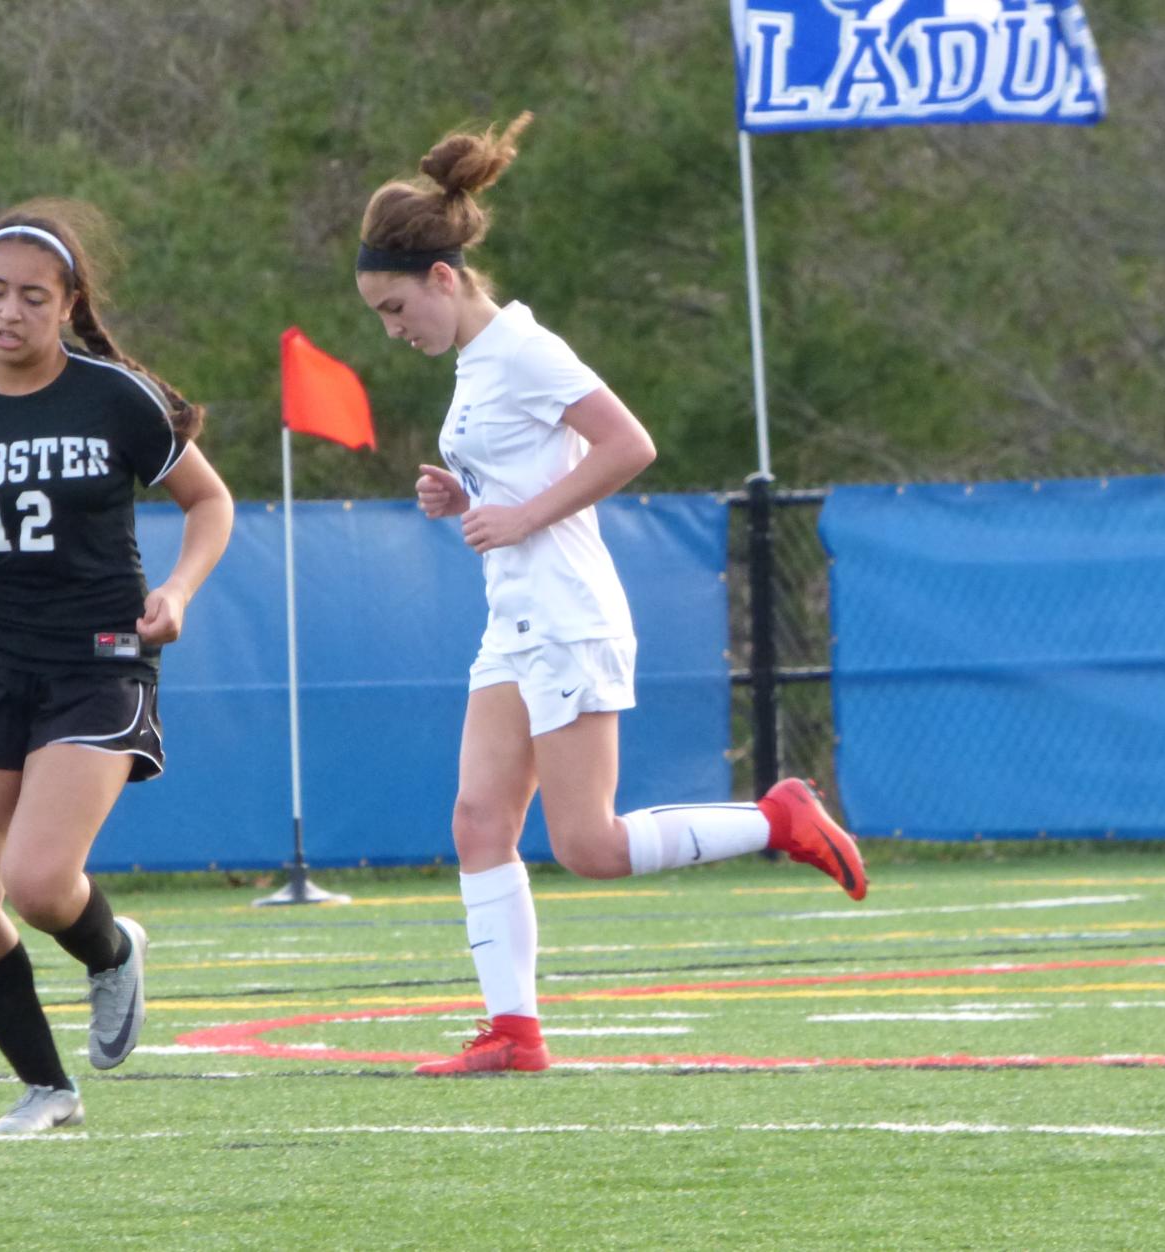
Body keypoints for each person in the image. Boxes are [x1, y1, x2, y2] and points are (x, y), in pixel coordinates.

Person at [355, 115, 867, 1076]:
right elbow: (520, 487)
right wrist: (464, 499)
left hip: (564, 616)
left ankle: (778, 817)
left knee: (587, 844)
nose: (392, 330)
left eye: (393, 309)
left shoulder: (522, 348)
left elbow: (631, 445)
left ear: (442, 278)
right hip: (511, 619)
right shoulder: (476, 365)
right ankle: (514, 1032)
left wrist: (521, 514)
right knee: (477, 823)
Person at [0, 200, 234, 1131]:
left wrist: (176, 592)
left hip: (99, 653)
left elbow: (209, 503)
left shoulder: (115, 397)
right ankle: (48, 1089)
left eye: (30, 296)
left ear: (66, 305)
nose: (7, 311)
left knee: (39, 881)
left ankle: (108, 953)